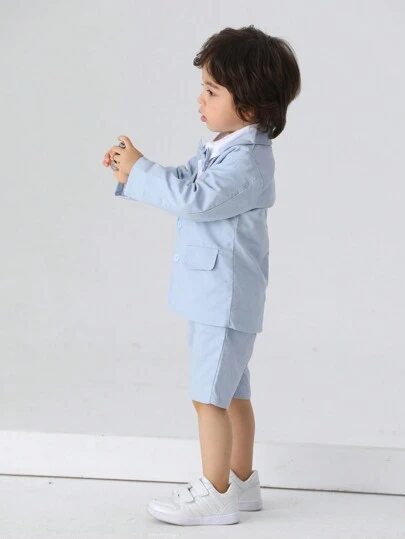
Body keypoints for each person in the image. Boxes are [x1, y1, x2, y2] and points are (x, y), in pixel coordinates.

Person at [102, 24, 301, 526]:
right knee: (232, 391)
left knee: (208, 395)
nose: (200, 99)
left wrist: (141, 170)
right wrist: (133, 170)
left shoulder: (247, 163)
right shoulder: (224, 146)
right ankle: (241, 482)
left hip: (222, 297)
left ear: (249, 108)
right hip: (218, 294)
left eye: (212, 91)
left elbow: (194, 200)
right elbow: (185, 180)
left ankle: (216, 492)